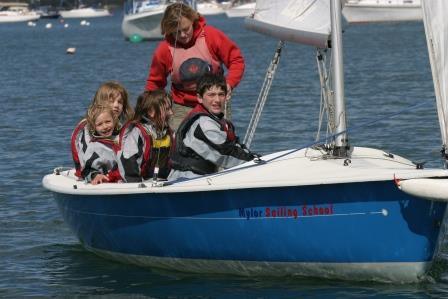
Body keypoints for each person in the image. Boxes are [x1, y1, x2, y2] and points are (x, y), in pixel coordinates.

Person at [145, 2, 245, 129]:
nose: (182, 35)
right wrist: (149, 106)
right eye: (176, 32)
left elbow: (236, 60)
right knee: (179, 143)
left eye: (186, 29)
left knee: (219, 141)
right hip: (182, 107)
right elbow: (155, 82)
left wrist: (230, 83)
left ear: (193, 21)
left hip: (215, 100)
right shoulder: (164, 49)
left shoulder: (211, 36)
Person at [168, 73, 257, 180]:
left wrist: (255, 157)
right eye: (211, 95)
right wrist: (255, 163)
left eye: (221, 94)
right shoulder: (204, 123)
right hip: (186, 179)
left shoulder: (219, 121)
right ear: (199, 98)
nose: (217, 100)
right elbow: (225, 151)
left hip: (202, 177)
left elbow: (235, 147)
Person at [71, 81, 133, 179]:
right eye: (111, 101)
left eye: (120, 102)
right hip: (89, 174)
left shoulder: (120, 127)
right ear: (100, 102)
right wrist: (93, 174)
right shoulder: (87, 127)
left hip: (114, 173)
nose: (116, 105)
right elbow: (85, 157)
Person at [117, 90, 174, 183]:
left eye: (171, 108)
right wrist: (135, 184)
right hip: (137, 182)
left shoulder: (170, 133)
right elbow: (128, 161)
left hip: (162, 181)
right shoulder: (137, 133)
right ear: (151, 112)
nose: (171, 113)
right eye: (167, 109)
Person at [77, 105, 121, 185]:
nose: (105, 127)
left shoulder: (122, 138)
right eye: (99, 124)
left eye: (108, 122)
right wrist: (95, 175)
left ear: (114, 120)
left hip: (123, 181)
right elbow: (86, 169)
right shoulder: (94, 147)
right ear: (94, 127)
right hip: (106, 184)